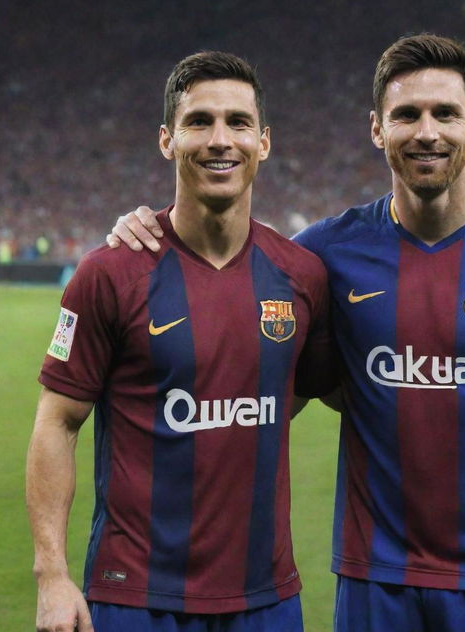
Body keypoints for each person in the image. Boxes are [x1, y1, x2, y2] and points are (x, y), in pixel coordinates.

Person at [106, 34, 465, 632]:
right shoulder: (325, 255)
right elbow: (261, 380)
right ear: (377, 130)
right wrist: (151, 228)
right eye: (406, 115)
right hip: (374, 579)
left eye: (445, 113)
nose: (426, 131)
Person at [26, 51, 335, 632]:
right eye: (199, 122)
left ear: (263, 142)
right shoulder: (110, 273)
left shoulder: (302, 275)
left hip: (266, 598)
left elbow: (319, 390)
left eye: (238, 123)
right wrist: (52, 575)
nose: (220, 139)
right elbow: (57, 421)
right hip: (135, 596)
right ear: (167, 140)